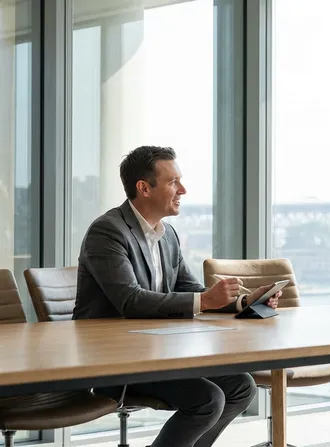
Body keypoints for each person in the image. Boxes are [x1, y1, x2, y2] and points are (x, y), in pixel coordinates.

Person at [74, 145, 281, 447]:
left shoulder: (167, 235)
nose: (183, 189)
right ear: (144, 188)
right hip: (116, 360)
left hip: (156, 355)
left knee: (241, 387)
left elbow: (193, 291)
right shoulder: (108, 231)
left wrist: (245, 302)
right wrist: (205, 301)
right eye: (173, 182)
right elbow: (130, 301)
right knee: (207, 399)